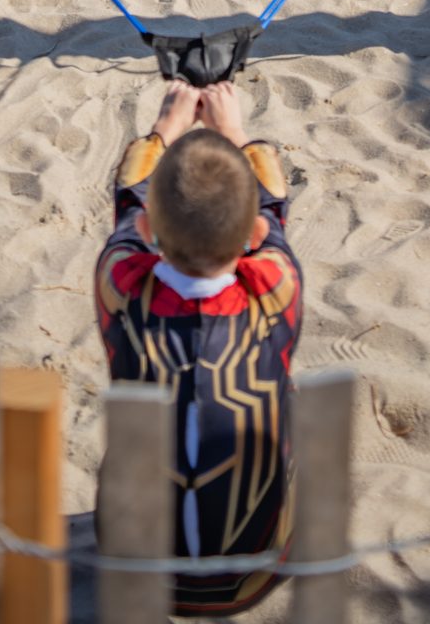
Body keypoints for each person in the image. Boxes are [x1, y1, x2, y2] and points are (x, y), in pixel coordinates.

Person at [94, 79, 302, 615]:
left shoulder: (122, 287)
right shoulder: (276, 291)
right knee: (287, 390)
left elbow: (126, 202)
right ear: (251, 233)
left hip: (133, 568)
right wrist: (233, 131)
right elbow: (274, 209)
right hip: (255, 577)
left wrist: (165, 126)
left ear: (147, 227)